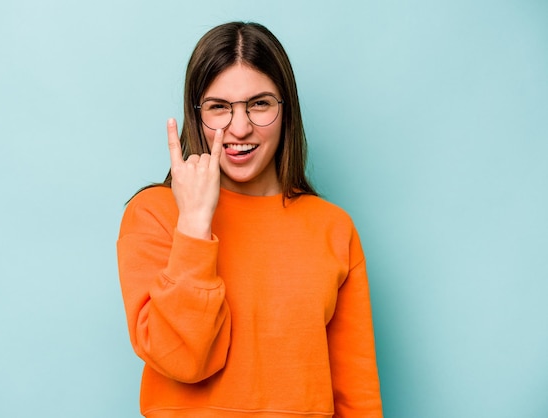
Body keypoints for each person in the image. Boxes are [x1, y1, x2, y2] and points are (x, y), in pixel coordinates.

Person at [117, 21, 383, 418]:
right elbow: (182, 362)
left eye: (259, 104)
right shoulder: (155, 213)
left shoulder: (332, 227)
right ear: (197, 114)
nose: (239, 128)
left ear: (285, 108)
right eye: (219, 107)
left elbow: (356, 394)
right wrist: (194, 223)